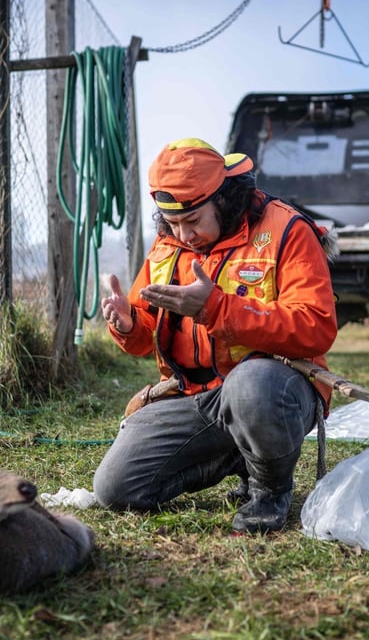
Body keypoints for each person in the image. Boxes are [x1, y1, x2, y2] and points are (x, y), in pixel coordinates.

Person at [93, 137, 338, 533]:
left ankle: (269, 490)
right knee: (114, 488)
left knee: (250, 385)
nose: (183, 235)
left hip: (271, 391)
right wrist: (127, 324)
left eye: (193, 221)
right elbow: (145, 337)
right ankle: (241, 455)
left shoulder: (286, 229)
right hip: (194, 397)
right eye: (172, 223)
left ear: (223, 200)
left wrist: (216, 309)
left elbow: (316, 327)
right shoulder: (167, 243)